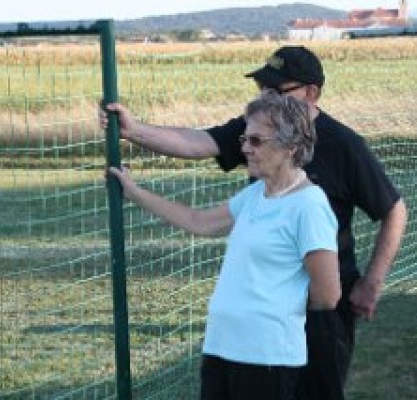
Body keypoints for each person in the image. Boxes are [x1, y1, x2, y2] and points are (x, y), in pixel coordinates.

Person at [101, 45, 407, 400]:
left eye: (277, 90)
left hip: (316, 315)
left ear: (311, 93)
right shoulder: (258, 144)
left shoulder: (341, 148)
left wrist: (372, 282)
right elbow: (200, 150)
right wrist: (134, 131)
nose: (246, 145)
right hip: (250, 336)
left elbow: (393, 211)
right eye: (263, 89)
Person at [108, 91, 341, 400]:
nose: (245, 148)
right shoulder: (257, 194)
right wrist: (135, 193)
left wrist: (272, 312)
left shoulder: (309, 205)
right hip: (222, 347)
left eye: (257, 141)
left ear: (291, 147)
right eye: (245, 139)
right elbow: (199, 221)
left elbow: (327, 295)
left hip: (266, 359)